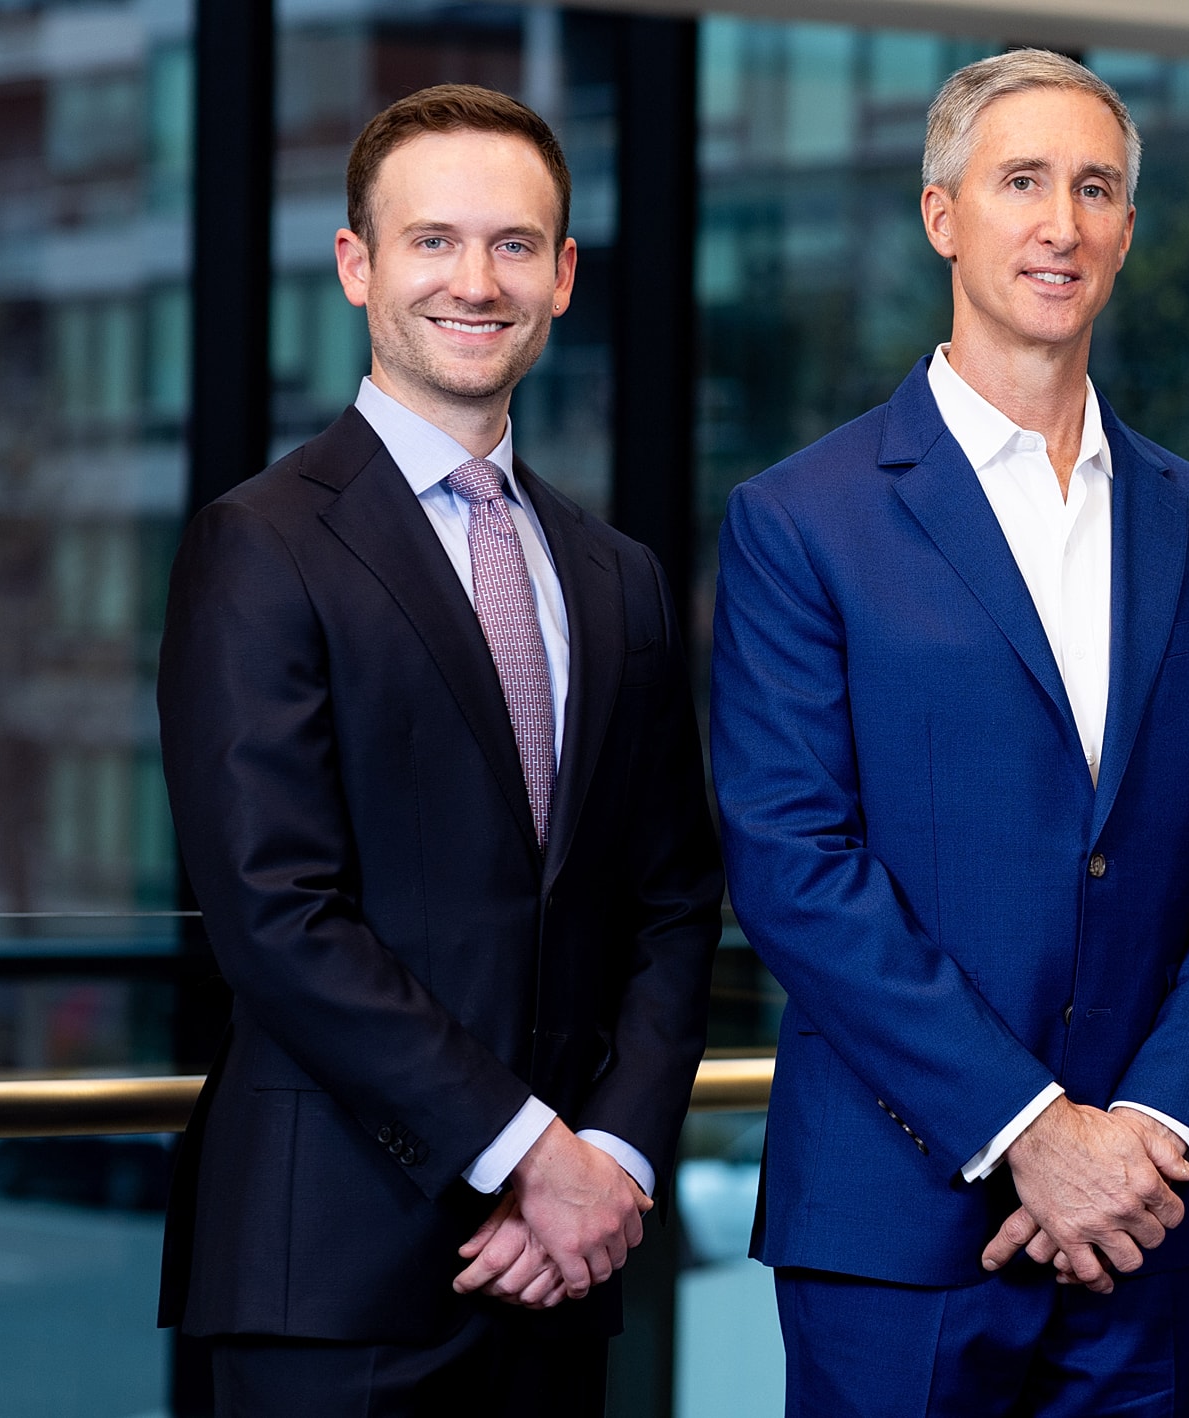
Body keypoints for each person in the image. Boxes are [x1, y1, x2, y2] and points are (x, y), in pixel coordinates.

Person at [709, 50, 1189, 1417]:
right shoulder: (804, 520)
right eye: (1022, 181)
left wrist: (1150, 1127)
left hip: (1144, 1225)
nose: (1061, 223)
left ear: (1128, 232)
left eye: (1095, 189)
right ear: (943, 215)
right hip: (898, 1218)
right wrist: (1034, 1131)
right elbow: (795, 863)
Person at [154, 85, 722, 1413]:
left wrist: (618, 1157)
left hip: (561, 1272)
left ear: (566, 276)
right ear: (358, 264)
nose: (476, 280)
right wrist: (531, 1153)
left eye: (516, 244)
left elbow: (675, 900)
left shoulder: (618, 574)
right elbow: (276, 914)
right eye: (433, 241)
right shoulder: (262, 545)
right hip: (334, 1277)